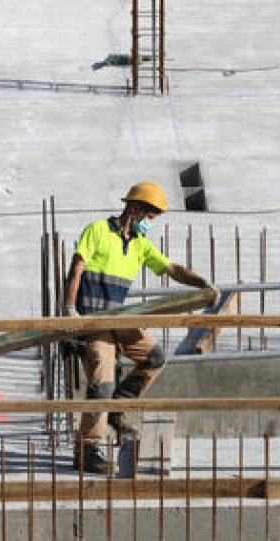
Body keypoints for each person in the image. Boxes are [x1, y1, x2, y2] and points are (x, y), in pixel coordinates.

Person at [62, 181, 213, 473]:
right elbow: (77, 267)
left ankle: (120, 405)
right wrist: (69, 312)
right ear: (133, 207)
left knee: (155, 356)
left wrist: (200, 283)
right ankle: (87, 449)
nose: (150, 221)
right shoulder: (98, 231)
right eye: (149, 214)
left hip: (121, 321)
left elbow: (169, 268)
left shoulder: (140, 245)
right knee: (101, 385)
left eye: (153, 216)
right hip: (94, 324)